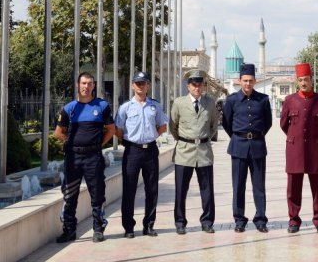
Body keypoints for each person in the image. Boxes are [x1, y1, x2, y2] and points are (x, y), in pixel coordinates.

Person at [54, 72, 116, 243]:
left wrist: (98, 144)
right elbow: (58, 132)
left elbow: (111, 129)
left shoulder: (102, 106)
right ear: (77, 85)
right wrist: (71, 142)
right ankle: (69, 230)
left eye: (89, 83)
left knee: (97, 194)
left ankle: (98, 229)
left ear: (93, 86)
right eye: (83, 83)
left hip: (93, 158)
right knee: (70, 195)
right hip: (73, 159)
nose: (86, 87)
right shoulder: (69, 108)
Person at [279, 62, 318, 234]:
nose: (303, 83)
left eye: (306, 79)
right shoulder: (290, 101)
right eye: (300, 80)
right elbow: (283, 124)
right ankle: (294, 220)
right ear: (297, 81)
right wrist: (295, 137)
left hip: (315, 150)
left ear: (312, 80)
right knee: (293, 187)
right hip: (295, 150)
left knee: (317, 187)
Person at [114, 71, 168, 238]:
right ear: (132, 85)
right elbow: (117, 129)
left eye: (143, 83)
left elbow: (162, 126)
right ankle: (129, 227)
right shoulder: (125, 108)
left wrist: (151, 137)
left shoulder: (155, 106)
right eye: (137, 83)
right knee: (129, 189)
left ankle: (149, 225)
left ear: (148, 86)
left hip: (151, 150)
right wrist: (130, 141)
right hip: (132, 151)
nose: (140, 86)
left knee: (152, 189)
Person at [222, 63, 272, 233]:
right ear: (239, 81)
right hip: (238, 147)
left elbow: (268, 123)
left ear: (255, 81)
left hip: (257, 146)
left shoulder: (263, 100)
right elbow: (227, 123)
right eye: (244, 81)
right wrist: (239, 137)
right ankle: (239, 220)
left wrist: (255, 136)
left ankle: (260, 220)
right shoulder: (231, 100)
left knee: (259, 186)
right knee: (238, 186)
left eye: (250, 81)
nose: (247, 84)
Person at [169, 69, 218, 234]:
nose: (197, 88)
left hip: (204, 152)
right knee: (181, 190)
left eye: (200, 84)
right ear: (188, 86)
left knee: (207, 190)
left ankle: (207, 222)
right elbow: (173, 127)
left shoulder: (210, 103)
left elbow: (213, 126)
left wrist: (202, 139)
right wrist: (186, 140)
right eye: (194, 84)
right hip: (184, 152)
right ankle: (180, 222)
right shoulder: (179, 103)